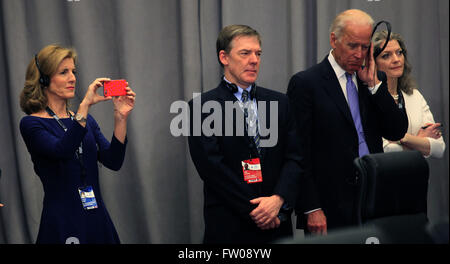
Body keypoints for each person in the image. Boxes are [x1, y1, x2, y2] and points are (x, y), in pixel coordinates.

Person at [286, 9, 408, 235]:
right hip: (329, 205)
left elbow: (397, 130)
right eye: (353, 46)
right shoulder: (306, 83)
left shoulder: (372, 79)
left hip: (373, 194)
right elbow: (299, 151)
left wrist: (375, 86)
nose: (359, 54)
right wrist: (311, 207)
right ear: (334, 39)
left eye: (365, 47)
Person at [188, 25, 303, 244]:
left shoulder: (280, 102)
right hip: (231, 226)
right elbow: (211, 168)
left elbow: (295, 157)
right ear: (224, 57)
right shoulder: (202, 107)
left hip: (278, 224)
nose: (254, 60)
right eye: (245, 53)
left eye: (258, 53)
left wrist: (278, 200)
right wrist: (259, 211)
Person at [19, 44, 136, 244]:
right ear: (44, 79)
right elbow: (62, 150)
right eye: (63, 72)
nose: (72, 78)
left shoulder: (86, 121)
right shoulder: (31, 123)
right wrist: (84, 106)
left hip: (96, 218)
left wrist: (120, 118)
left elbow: (113, 160)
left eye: (73, 71)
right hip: (63, 221)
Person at [373, 31, 445, 157]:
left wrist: (403, 139)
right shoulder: (369, 100)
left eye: (399, 53)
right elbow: (384, 151)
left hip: (416, 175)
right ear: (373, 63)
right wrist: (419, 141)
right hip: (384, 175)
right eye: (386, 56)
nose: (396, 59)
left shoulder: (415, 96)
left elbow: (439, 148)